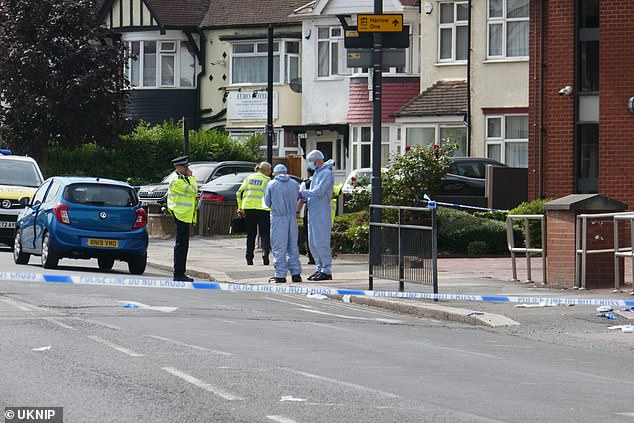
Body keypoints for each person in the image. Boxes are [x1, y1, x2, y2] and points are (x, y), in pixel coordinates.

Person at [300, 150, 335, 281]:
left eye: (312, 162)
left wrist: (304, 193)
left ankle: (326, 270)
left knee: (321, 241)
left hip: (321, 211)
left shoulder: (326, 173)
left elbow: (320, 191)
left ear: (317, 161)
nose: (311, 165)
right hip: (313, 211)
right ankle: (319, 268)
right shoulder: (318, 173)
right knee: (313, 243)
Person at [264, 164, 302, 284]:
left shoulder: (271, 184)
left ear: (275, 173)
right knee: (293, 246)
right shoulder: (294, 184)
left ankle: (280, 274)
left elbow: (267, 201)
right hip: (291, 217)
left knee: (279, 246)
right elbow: (297, 198)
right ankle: (296, 273)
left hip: (278, 217)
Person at [167, 155, 198, 282]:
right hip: (180, 214)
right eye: (185, 167)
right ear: (179, 167)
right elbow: (194, 190)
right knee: (181, 245)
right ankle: (178, 273)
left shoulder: (181, 178)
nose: (188, 169)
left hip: (184, 214)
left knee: (183, 245)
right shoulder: (177, 180)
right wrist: (192, 177)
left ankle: (180, 272)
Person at [236, 161, 272, 265]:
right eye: (270, 170)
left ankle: (249, 258)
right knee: (264, 233)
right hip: (263, 209)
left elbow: (238, 192)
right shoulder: (267, 180)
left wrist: (240, 207)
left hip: (249, 208)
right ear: (266, 171)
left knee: (251, 234)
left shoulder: (249, 178)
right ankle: (265, 254)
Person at [296, 168, 315, 265]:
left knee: (309, 233)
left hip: (309, 208)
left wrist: (297, 211)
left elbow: (301, 198)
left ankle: (312, 257)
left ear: (308, 173)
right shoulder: (321, 182)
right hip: (321, 209)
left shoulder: (305, 183)